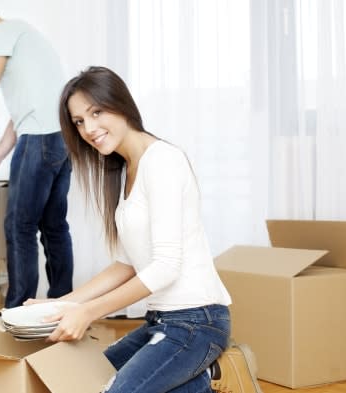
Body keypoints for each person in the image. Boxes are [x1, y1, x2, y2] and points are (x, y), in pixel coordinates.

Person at [26, 66, 262, 393]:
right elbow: (126, 264)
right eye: (79, 121)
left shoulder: (163, 161)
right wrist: (61, 304)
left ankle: (206, 374)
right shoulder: (126, 170)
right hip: (159, 322)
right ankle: (206, 381)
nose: (89, 128)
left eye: (96, 112)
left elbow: (166, 267)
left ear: (120, 104)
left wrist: (88, 312)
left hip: (197, 322)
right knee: (84, 380)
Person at [0, 5, 74, 308]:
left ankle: (16, 312)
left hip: (39, 141)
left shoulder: (1, 32)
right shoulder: (29, 36)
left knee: (20, 227)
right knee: (54, 227)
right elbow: (25, 112)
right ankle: (62, 306)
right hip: (62, 138)